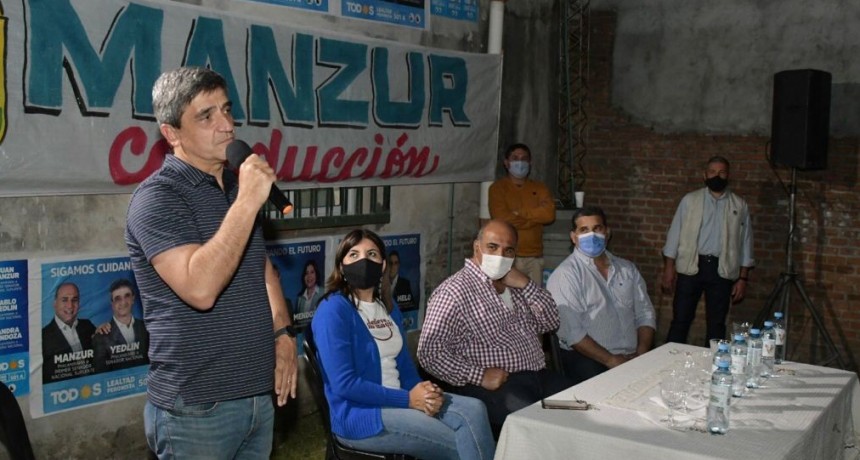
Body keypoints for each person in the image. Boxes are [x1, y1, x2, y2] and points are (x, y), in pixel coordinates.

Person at [125, 67, 297, 459]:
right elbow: (200, 289)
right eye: (206, 116)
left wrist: (283, 334)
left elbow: (262, 272)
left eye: (227, 110)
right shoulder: (158, 198)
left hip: (257, 394)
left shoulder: (236, 190)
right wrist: (248, 202)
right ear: (172, 134)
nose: (227, 125)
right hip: (197, 408)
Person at [312, 229, 495, 460]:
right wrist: (408, 400)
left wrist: (424, 394)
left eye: (371, 254)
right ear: (341, 266)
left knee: (475, 409)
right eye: (354, 255)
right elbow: (344, 384)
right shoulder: (333, 310)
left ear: (382, 266)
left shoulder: (388, 307)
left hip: (400, 401)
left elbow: (405, 367)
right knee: (466, 443)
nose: (363, 261)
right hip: (363, 416)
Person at [418, 220, 573, 433]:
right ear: (477, 248)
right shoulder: (454, 292)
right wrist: (479, 375)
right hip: (497, 386)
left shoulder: (515, 284)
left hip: (539, 375)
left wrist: (526, 284)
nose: (500, 255)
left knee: (584, 412)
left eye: (508, 250)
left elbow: (550, 322)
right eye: (493, 247)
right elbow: (429, 353)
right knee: (540, 429)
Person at [546, 206, 656, 384]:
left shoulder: (627, 269)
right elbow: (573, 333)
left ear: (607, 232)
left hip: (633, 356)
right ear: (573, 237)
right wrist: (611, 360)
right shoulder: (566, 275)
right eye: (584, 230)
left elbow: (645, 314)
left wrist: (641, 354)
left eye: (597, 228)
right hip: (589, 358)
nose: (592, 235)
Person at [662, 156, 755, 344]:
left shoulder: (739, 205)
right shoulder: (690, 201)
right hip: (691, 265)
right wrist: (669, 268)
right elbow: (674, 234)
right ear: (705, 175)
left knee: (717, 324)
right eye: (712, 172)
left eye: (722, 172)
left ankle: (715, 360)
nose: (716, 176)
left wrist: (743, 278)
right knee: (681, 319)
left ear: (728, 175)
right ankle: (670, 356)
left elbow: (746, 242)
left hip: (722, 269)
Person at [488, 143, 556, 285]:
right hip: (508, 256)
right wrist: (534, 219)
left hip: (535, 257)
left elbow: (549, 215)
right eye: (515, 158)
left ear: (530, 163)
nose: (520, 162)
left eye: (524, 158)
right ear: (506, 163)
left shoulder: (540, 188)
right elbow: (502, 219)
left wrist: (519, 213)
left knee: (534, 297)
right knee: (507, 297)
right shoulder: (497, 188)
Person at [41, 282, 96, 383]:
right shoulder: (43, 337)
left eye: (74, 300)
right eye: (64, 300)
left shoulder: (88, 326)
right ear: (55, 303)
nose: (70, 306)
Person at [92, 278, 149, 373]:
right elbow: (101, 376)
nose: (123, 302)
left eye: (127, 296)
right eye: (117, 298)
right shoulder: (100, 337)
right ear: (112, 303)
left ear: (133, 299)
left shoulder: (146, 328)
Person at [295, 260, 323, 327]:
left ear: (316, 275)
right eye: (306, 273)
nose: (309, 276)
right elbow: (297, 323)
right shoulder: (299, 299)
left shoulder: (323, 293)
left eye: (312, 272)